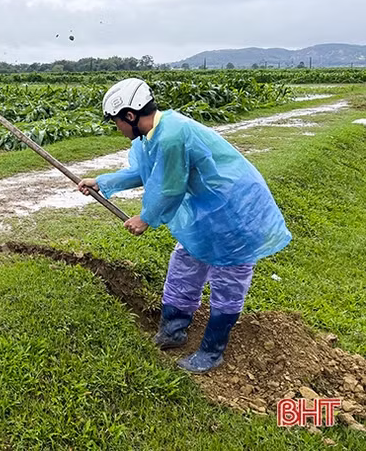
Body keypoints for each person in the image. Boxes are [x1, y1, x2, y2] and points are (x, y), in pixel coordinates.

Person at [78, 78, 291, 373]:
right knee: (185, 262)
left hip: (234, 210)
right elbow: (145, 171)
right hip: (208, 211)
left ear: (130, 115)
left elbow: (170, 188)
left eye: (116, 121)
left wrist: (145, 219)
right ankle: (172, 331)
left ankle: (211, 352)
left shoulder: (171, 136)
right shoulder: (153, 136)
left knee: (229, 278)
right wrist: (101, 182)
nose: (117, 128)